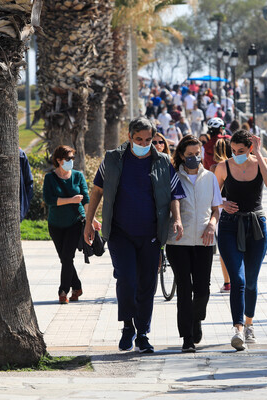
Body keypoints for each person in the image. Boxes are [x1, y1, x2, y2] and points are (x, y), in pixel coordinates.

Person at [83, 117, 185, 354]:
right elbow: (97, 190)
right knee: (127, 279)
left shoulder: (162, 162)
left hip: (150, 233)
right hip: (120, 233)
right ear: (129, 136)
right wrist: (89, 222)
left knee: (147, 284)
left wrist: (177, 219)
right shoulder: (113, 159)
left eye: (148, 139)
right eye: (139, 139)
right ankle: (127, 325)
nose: (144, 143)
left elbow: (173, 195)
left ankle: (143, 333)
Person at [214, 130, 267, 351]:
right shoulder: (223, 167)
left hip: (257, 226)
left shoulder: (261, 162)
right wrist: (222, 203)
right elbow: (211, 196)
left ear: (250, 147)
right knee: (237, 280)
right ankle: (238, 329)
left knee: (251, 280)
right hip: (230, 226)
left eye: (241, 150)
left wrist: (258, 154)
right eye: (233, 150)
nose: (236, 154)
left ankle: (249, 324)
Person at [166, 135, 222, 352]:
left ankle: (196, 318)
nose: (194, 158)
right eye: (189, 155)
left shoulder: (209, 177)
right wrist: (176, 220)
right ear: (181, 155)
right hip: (178, 242)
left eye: (197, 154)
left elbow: (216, 209)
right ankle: (187, 338)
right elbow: (171, 202)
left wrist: (211, 225)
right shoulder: (173, 177)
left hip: (204, 240)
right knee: (184, 288)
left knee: (202, 290)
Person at [43, 145, 98, 304]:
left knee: (67, 256)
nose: (71, 162)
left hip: (75, 222)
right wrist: (71, 200)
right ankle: (77, 287)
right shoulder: (50, 178)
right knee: (64, 259)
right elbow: (49, 200)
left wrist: (91, 219)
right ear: (59, 160)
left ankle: (63, 291)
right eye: (68, 159)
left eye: (72, 158)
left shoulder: (78, 176)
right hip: (55, 224)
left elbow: (86, 199)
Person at [210, 138, 232, 294]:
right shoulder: (235, 166)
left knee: (224, 248)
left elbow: (212, 192)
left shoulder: (214, 168)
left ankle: (227, 282)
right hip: (237, 206)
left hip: (221, 207)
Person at [19, 148, 34, 222]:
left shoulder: (20, 155)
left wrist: (25, 206)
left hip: (18, 210)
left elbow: (29, 183)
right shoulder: (21, 154)